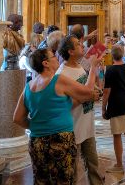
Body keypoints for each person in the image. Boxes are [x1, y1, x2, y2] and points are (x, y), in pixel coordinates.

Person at [13, 47, 100, 185]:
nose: (56, 58)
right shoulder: (58, 80)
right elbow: (88, 91)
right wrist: (93, 66)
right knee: (64, 180)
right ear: (45, 63)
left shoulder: (29, 86)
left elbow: (17, 118)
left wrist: (38, 125)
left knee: (42, 180)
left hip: (36, 142)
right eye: (53, 56)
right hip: (61, 140)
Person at [58, 35, 104, 185]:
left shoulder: (78, 66)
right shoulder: (62, 74)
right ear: (70, 51)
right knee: (72, 170)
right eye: (78, 44)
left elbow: (85, 87)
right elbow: (66, 105)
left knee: (93, 164)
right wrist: (88, 96)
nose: (83, 46)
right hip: (73, 128)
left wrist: (94, 91)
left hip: (87, 126)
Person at [102, 45, 125, 176]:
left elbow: (106, 92)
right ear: (122, 55)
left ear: (112, 56)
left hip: (117, 104)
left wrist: (103, 108)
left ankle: (119, 165)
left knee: (117, 134)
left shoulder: (110, 70)